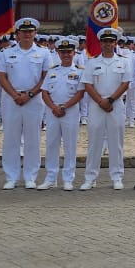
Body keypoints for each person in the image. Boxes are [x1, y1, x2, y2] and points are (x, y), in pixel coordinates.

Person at [0, 17, 53, 190]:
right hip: (11, 99)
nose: (27, 34)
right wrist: (15, 95)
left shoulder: (44, 53)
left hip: (33, 100)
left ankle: (30, 176)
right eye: (24, 32)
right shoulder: (7, 52)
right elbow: (1, 76)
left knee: (32, 139)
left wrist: (29, 94)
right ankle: (11, 177)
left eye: (30, 31)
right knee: (11, 139)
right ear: (17, 34)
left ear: (35, 33)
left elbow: (46, 77)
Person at [81, 27, 132, 191]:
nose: (108, 44)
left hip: (115, 104)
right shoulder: (92, 61)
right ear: (101, 43)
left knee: (116, 142)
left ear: (115, 42)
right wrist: (100, 101)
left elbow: (125, 83)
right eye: (105, 41)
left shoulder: (124, 61)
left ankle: (117, 176)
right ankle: (90, 177)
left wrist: (110, 100)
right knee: (94, 141)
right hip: (97, 104)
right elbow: (87, 84)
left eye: (111, 41)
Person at [39, 37, 83, 191]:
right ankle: (51, 178)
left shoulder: (79, 71)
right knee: (51, 144)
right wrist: (53, 107)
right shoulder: (52, 70)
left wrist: (64, 107)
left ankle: (68, 178)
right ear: (57, 52)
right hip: (52, 112)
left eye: (69, 52)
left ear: (74, 53)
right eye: (63, 52)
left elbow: (80, 93)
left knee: (70, 145)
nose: (66, 54)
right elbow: (44, 92)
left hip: (70, 112)